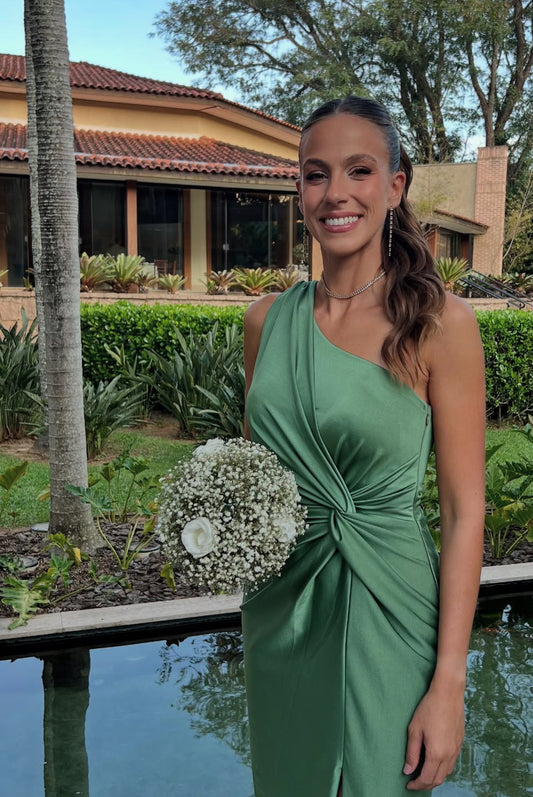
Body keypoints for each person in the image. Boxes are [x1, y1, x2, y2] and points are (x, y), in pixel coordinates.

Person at [241, 95, 485, 797]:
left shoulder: (439, 324)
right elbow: (258, 483)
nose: (336, 193)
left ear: (395, 185)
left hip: (390, 605)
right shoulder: (264, 322)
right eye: (316, 174)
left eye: (359, 170)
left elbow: (463, 512)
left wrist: (449, 682)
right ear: (299, 190)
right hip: (282, 613)